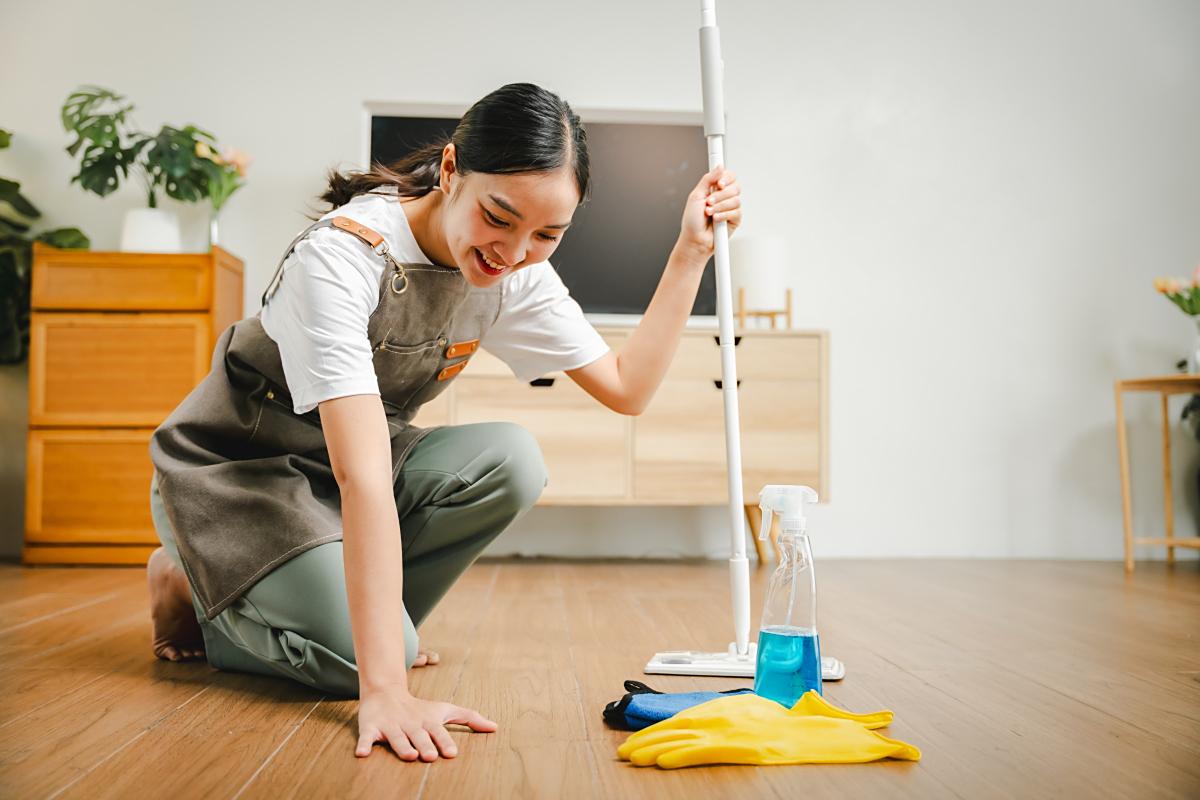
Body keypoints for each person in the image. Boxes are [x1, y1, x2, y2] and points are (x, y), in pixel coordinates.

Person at [144, 82, 742, 763]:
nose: (513, 252)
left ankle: (361, 631)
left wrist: (691, 251)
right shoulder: (339, 258)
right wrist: (384, 689)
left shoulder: (516, 270)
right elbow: (362, 476)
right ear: (452, 169)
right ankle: (193, 584)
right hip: (241, 475)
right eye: (498, 217)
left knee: (511, 460)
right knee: (368, 665)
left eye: (547, 235)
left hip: (342, 476)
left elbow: (628, 388)